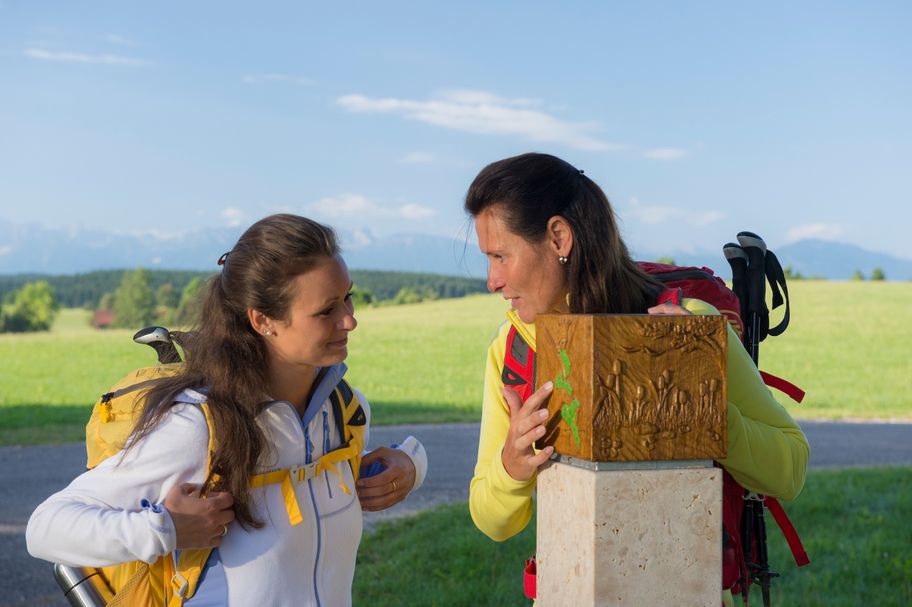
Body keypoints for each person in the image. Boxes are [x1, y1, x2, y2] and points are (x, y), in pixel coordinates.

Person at [27, 214, 428, 606]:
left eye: (348, 298)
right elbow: (46, 528)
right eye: (326, 311)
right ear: (263, 321)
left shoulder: (343, 410)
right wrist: (166, 529)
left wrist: (411, 466)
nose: (349, 320)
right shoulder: (197, 425)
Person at [464, 153, 809, 604]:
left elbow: (791, 468)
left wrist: (702, 407)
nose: (491, 280)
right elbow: (493, 521)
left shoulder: (689, 327)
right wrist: (511, 465)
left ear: (558, 237)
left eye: (500, 256)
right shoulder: (513, 349)